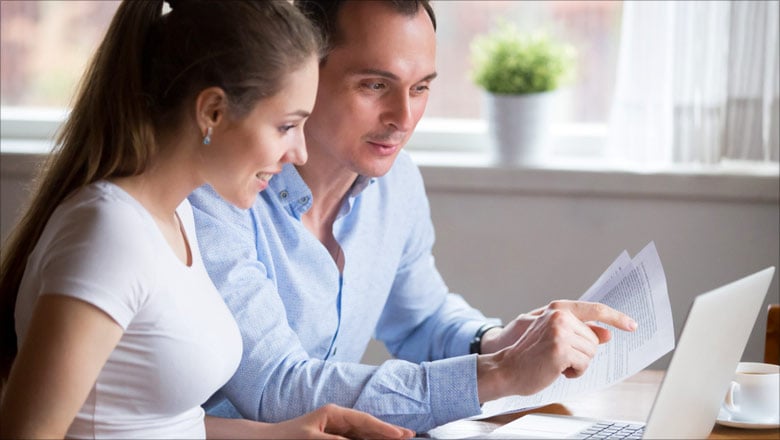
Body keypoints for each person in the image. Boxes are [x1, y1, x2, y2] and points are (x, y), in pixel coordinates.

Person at [188, 0, 638, 433]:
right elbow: (275, 390)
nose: (403, 118)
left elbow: (420, 319)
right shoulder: (216, 192)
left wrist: (497, 341)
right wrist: (499, 371)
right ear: (304, 71)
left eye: (421, 87)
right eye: (375, 85)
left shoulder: (396, 181)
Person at [0, 1, 415, 438]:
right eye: (285, 127)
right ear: (213, 112)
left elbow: (160, 424)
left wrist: (284, 434)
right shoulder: (111, 235)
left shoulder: (175, 215)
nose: (299, 153)